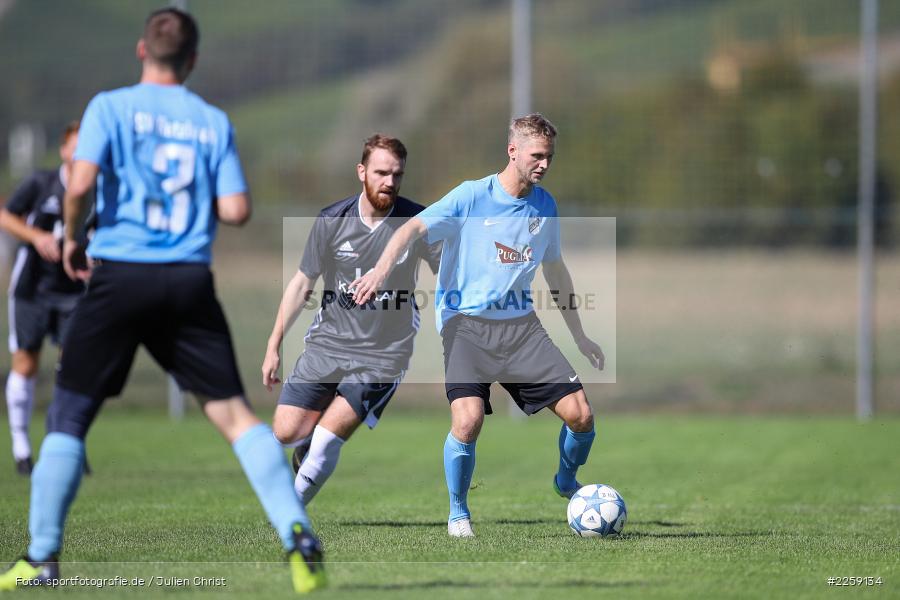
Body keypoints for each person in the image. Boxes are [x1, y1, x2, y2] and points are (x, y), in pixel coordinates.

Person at [0, 8, 325, 593]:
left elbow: (78, 185)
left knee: (70, 416)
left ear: (141, 51)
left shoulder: (110, 107)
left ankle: (42, 560)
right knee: (233, 416)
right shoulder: (211, 121)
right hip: (187, 281)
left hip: (119, 275)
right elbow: (237, 211)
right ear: (193, 60)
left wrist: (73, 239)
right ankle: (298, 535)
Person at [351, 113, 605, 538]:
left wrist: (579, 334)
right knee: (468, 421)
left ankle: (565, 480)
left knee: (581, 416)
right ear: (513, 151)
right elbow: (411, 228)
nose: (544, 164)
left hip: (521, 328)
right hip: (465, 326)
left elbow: (556, 272)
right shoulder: (471, 197)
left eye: (550, 157)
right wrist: (380, 270)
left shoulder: (546, 206)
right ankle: (458, 513)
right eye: (537, 156)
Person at [262, 134, 440, 503]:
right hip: (329, 343)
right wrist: (273, 343)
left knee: (328, 440)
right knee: (285, 432)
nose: (389, 182)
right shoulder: (332, 220)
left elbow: (452, 274)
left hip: (383, 354)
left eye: (397, 175)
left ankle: (289, 518)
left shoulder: (416, 221)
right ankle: (308, 441)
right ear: (361, 171)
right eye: (380, 173)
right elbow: (301, 285)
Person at [1, 122, 84, 476]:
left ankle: (64, 442)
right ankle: (22, 449)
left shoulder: (96, 190)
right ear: (64, 151)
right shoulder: (41, 183)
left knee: (73, 368)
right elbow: (6, 215)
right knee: (26, 364)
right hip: (31, 290)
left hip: (73, 292)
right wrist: (36, 237)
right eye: (76, 148)